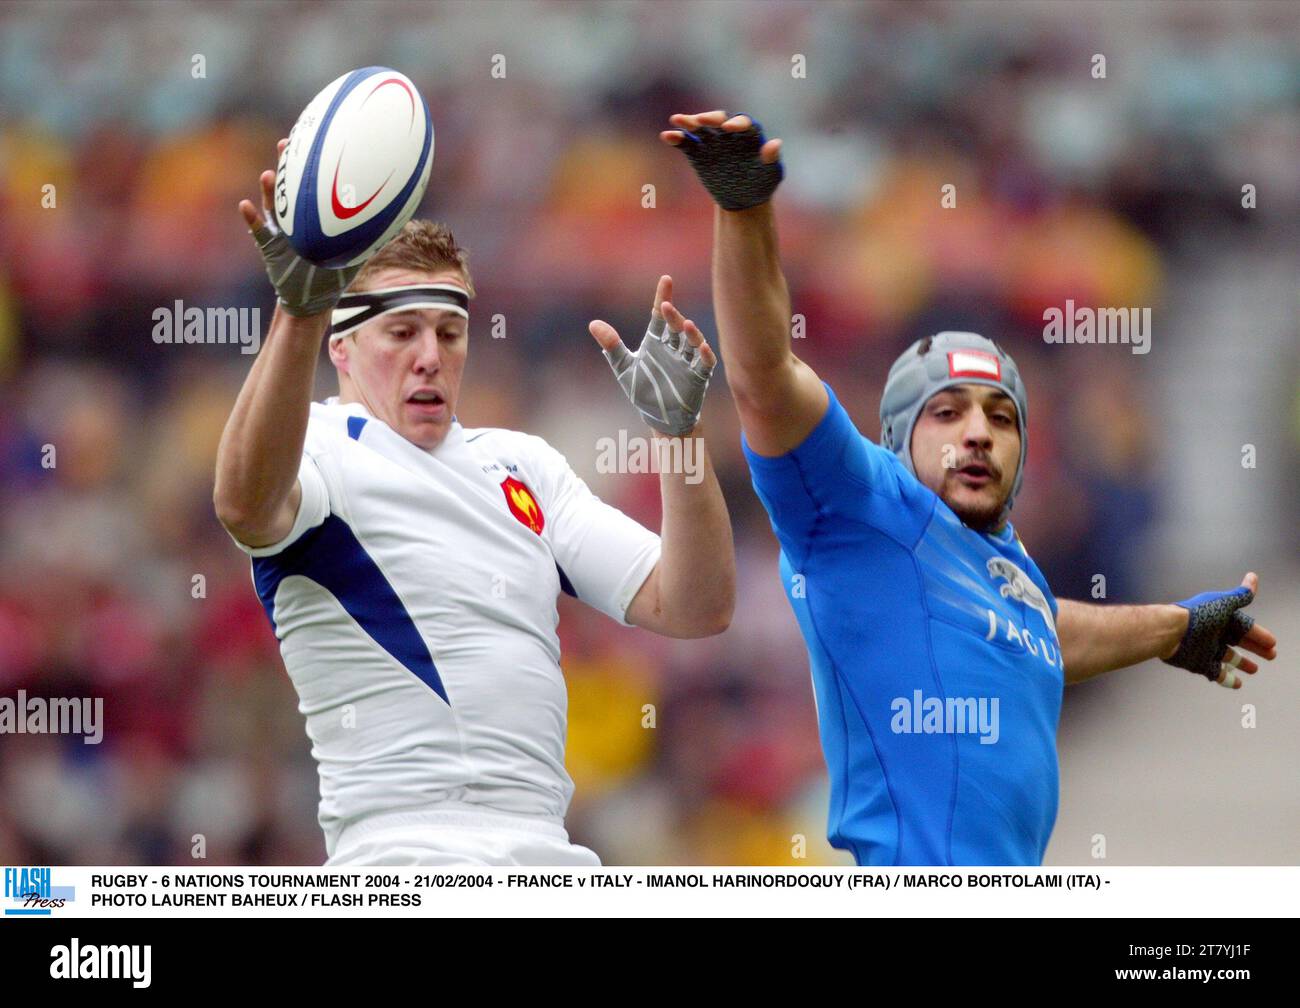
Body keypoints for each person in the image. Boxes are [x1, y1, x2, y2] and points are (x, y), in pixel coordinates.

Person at [662, 110, 1279, 867]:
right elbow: (761, 380)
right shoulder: (864, 509)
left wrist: (1175, 630)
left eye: (1001, 417)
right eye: (946, 414)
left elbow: (1048, 629)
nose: (980, 432)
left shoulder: (1006, 570)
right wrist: (744, 211)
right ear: (895, 443)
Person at [214, 141, 735, 866]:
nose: (430, 354)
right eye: (402, 332)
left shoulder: (525, 464)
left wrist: (678, 439)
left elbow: (695, 605)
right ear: (342, 345)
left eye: (449, 333)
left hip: (549, 860)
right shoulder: (319, 450)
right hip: (404, 862)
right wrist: (298, 314)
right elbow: (243, 505)